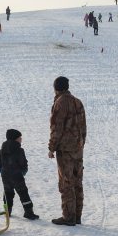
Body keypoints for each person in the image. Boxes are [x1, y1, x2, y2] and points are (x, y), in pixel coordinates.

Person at [48, 76, 86, 226]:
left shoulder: (60, 103)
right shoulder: (78, 102)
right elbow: (83, 127)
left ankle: (69, 217)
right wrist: (81, 143)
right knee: (77, 181)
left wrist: (52, 148)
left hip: (65, 150)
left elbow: (56, 128)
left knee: (66, 182)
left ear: (56, 88)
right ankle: (77, 215)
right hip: (78, 148)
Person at [0, 129, 39, 219]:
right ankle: (28, 212)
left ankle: (7, 211)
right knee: (23, 193)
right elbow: (22, 162)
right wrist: (24, 169)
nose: (21, 139)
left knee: (8, 193)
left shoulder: (2, 149)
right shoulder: (19, 150)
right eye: (19, 138)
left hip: (5, 175)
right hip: (16, 175)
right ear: (15, 139)